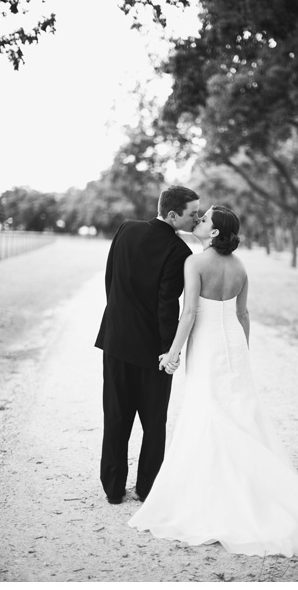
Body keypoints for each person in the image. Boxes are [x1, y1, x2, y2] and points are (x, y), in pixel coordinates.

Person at [128, 206, 298, 559]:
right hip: (235, 344)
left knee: (207, 411)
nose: (199, 221)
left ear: (212, 233)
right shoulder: (239, 267)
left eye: (204, 219)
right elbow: (242, 314)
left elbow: (189, 313)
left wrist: (172, 353)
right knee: (236, 412)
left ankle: (213, 495)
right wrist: (243, 353)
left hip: (207, 342)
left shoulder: (194, 263)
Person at [94, 186, 200, 504]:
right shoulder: (180, 252)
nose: (197, 217)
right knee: (154, 423)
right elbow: (166, 305)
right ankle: (147, 489)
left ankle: (113, 488)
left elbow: (110, 278)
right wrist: (170, 351)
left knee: (115, 416)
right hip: (153, 351)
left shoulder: (126, 229)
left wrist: (117, 318)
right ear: (172, 215)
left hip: (114, 340)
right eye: (192, 213)